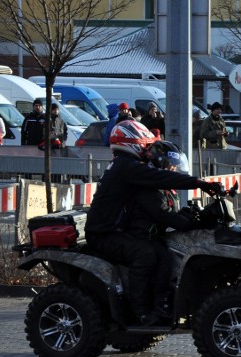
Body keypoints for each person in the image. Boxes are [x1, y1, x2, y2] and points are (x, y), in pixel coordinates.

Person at [85, 120, 222, 326]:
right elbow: (162, 178)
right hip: (103, 234)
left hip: (114, 230)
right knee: (145, 254)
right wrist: (199, 183)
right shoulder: (127, 167)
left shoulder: (125, 166)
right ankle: (140, 311)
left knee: (161, 251)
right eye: (145, 144)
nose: (148, 149)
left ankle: (161, 303)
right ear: (133, 142)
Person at [122, 140, 199, 318]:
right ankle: (158, 305)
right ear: (160, 163)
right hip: (141, 236)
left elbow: (173, 211)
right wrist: (189, 224)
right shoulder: (149, 187)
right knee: (163, 259)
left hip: (156, 234)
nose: (174, 170)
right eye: (172, 166)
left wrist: (193, 215)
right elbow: (163, 214)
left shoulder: (164, 187)